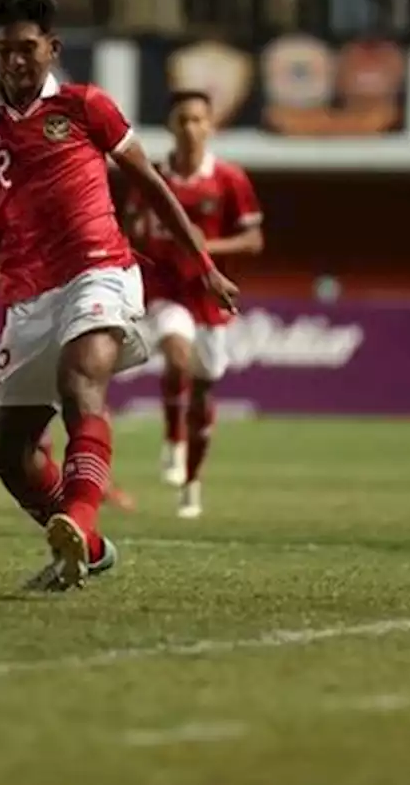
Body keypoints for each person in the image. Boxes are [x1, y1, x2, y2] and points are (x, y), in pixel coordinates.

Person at [0, 0, 239, 591]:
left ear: (53, 48)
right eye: (5, 49)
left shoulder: (88, 107)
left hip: (100, 269)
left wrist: (203, 263)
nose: (16, 61)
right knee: (7, 451)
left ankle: (79, 515)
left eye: (28, 49)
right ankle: (85, 543)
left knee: (79, 380)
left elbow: (152, 186)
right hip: (29, 296)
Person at [128, 91, 264, 518]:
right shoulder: (153, 177)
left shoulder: (229, 179)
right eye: (182, 119)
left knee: (204, 388)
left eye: (197, 119)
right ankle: (173, 439)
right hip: (166, 291)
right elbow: (133, 229)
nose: (190, 127)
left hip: (209, 295)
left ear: (210, 126)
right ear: (171, 126)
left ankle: (192, 480)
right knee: (176, 356)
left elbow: (254, 239)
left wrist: (208, 246)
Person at [0, 204, 136, 517]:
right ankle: (70, 503)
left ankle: (87, 493)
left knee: (81, 391)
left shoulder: (59, 187)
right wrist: (19, 279)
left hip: (68, 301)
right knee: (29, 423)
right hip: (23, 313)